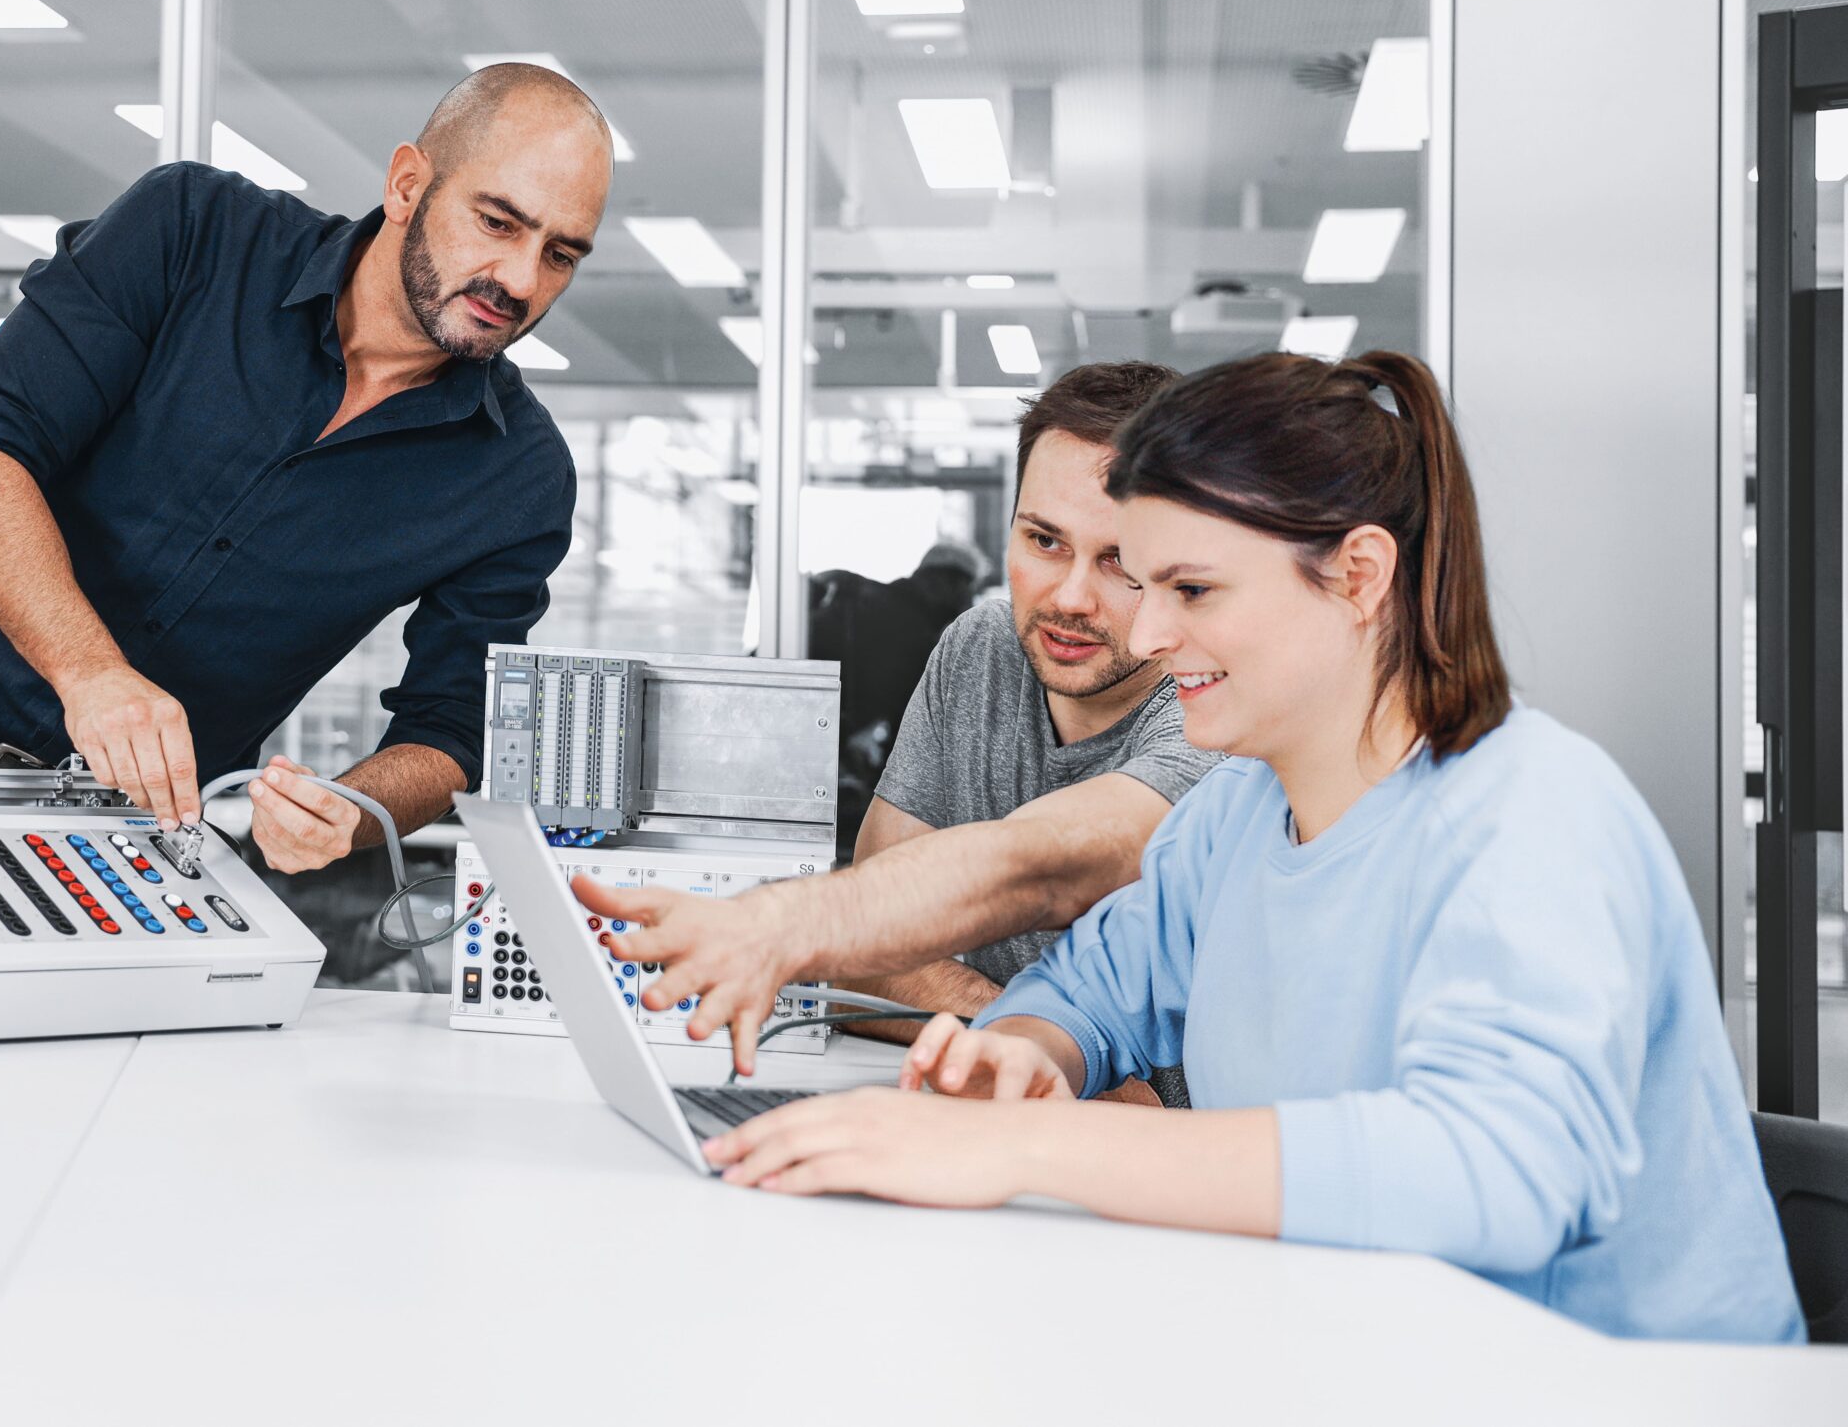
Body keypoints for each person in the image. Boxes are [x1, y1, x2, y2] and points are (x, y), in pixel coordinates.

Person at [693, 350, 1802, 1344]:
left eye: (1190, 589)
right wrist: (1022, 1055)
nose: (1144, 631)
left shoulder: (1536, 815)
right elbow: (1094, 990)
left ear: (1358, 577)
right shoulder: (1235, 812)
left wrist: (1028, 1151)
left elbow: (1494, 1172)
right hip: (1351, 1351)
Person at [0, 64, 611, 874]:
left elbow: (451, 726)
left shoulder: (520, 477)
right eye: (500, 223)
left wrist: (353, 811)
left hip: (137, 846)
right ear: (408, 185)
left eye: (561, 255)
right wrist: (90, 673)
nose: (521, 281)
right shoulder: (192, 231)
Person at [580, 362, 1218, 1106]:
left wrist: (788, 925)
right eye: (1044, 541)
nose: (1069, 597)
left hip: (1157, 1160)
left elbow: (1046, 868)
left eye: (1119, 562)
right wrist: (1022, 1045)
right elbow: (872, 957)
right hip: (1005, 1110)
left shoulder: (1216, 700)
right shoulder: (981, 648)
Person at [805, 540, 987, 860]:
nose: (969, 600)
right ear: (943, 582)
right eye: (967, 588)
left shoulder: (886, 607)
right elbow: (910, 737)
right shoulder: (910, 630)